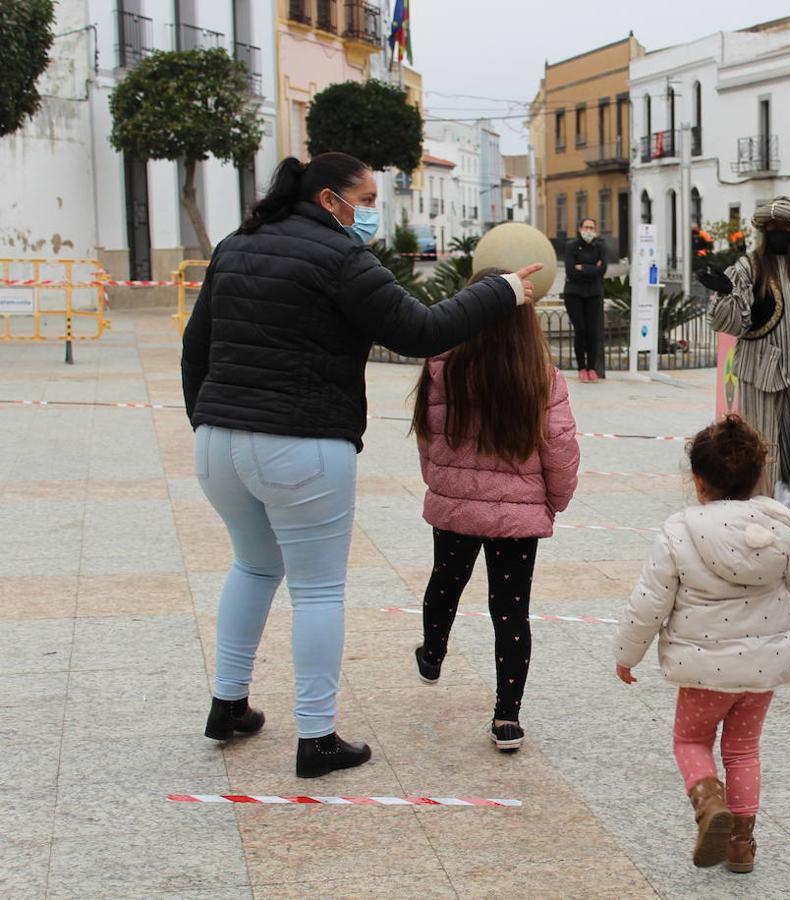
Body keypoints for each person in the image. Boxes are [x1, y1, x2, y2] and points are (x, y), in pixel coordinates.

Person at [182, 153, 543, 778]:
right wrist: (500, 290)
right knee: (318, 588)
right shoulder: (341, 258)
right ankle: (316, 737)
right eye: (366, 198)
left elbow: (196, 346)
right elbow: (420, 330)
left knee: (252, 565)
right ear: (329, 199)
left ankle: (228, 703)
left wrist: (208, 419)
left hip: (218, 443)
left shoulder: (236, 245)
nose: (372, 211)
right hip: (301, 443)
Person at [613, 414, 790, 873]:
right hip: (760, 672)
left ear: (696, 480)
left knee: (691, 741)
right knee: (744, 751)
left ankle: (710, 804)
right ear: (759, 477)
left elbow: (649, 602)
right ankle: (741, 847)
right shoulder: (776, 525)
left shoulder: (680, 529)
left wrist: (627, 655)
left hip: (703, 672)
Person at [410, 267, 580, 752]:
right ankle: (507, 719)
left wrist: (440, 484)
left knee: (445, 579)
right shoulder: (539, 377)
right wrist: (556, 500)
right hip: (518, 518)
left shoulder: (442, 367)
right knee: (510, 611)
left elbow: (428, 435)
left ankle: (433, 654)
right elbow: (560, 447)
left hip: (456, 508)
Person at [700, 197, 790, 524]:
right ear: (765, 232)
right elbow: (729, 324)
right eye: (773, 229)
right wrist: (726, 293)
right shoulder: (747, 268)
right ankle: (764, 506)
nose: (779, 234)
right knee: (762, 442)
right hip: (761, 370)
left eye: (786, 229)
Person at [562, 217, 608, 382]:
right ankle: (581, 367)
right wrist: (592, 269)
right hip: (574, 294)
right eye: (586, 227)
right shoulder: (571, 246)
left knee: (592, 332)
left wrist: (583, 268)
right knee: (580, 331)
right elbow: (570, 271)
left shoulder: (600, 247)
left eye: (592, 227)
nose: (589, 230)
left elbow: (602, 270)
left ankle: (591, 368)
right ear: (580, 228)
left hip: (594, 294)